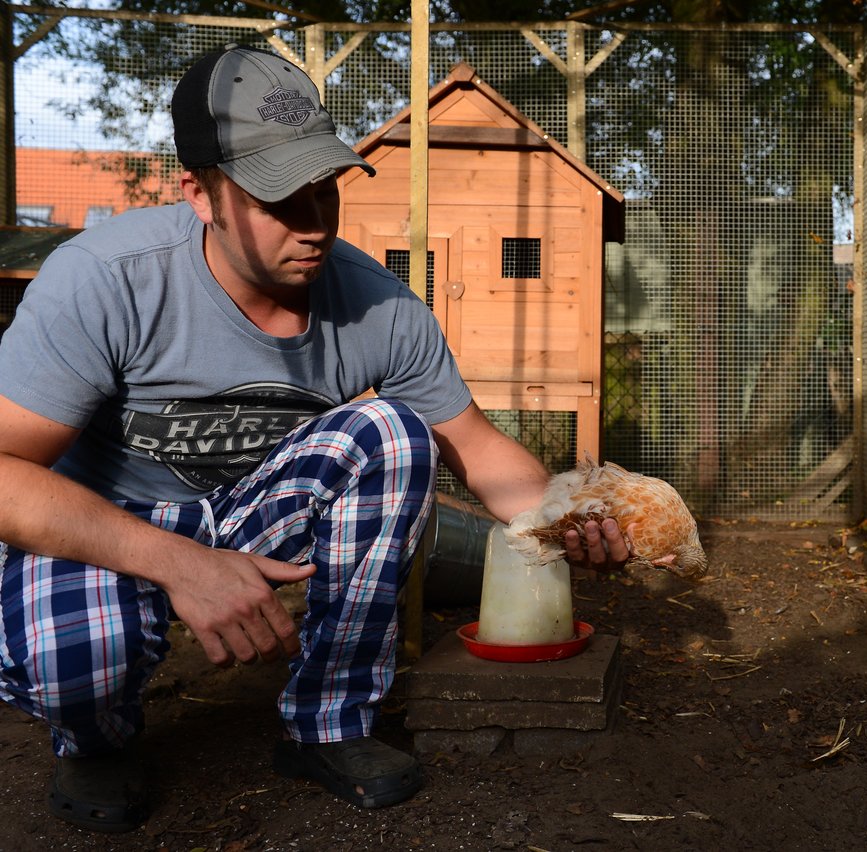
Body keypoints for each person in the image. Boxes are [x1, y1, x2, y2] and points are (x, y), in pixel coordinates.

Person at [0, 44, 629, 834]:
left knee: (396, 434)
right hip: (109, 520)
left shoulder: (377, 304)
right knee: (75, 670)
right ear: (200, 192)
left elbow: (476, 446)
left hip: (254, 512)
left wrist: (570, 514)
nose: (314, 227)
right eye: (277, 200)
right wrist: (182, 566)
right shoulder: (105, 278)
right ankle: (94, 739)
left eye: (323, 192)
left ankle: (329, 723)